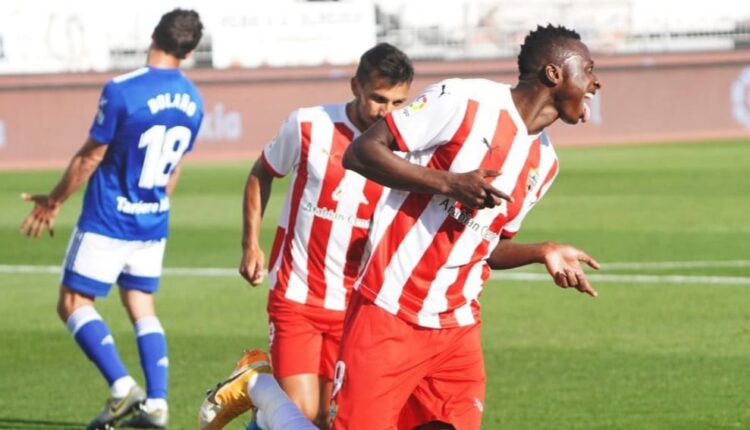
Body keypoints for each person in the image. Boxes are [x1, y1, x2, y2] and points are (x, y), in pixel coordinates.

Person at [330, 24, 602, 429]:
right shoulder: (465, 101)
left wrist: (541, 250)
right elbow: (361, 152)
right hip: (389, 312)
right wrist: (450, 183)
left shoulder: (545, 164)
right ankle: (263, 393)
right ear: (554, 74)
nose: (596, 82)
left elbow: (485, 248)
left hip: (456, 328)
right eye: (589, 69)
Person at [19, 9, 204, 430]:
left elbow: (91, 155)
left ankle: (123, 388)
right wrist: (152, 205)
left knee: (72, 303)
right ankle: (157, 404)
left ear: (153, 35)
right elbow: (174, 168)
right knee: (140, 304)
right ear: (190, 51)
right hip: (153, 219)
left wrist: (53, 201)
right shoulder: (194, 99)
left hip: (108, 218)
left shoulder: (122, 90)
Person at [237, 43, 414, 428]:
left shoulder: (412, 150)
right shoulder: (308, 125)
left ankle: (258, 389)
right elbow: (261, 172)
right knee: (307, 417)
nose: (388, 113)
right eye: (379, 100)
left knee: (332, 421)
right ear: (356, 87)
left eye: (399, 102)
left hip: (357, 308)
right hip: (296, 297)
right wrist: (251, 243)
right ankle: (258, 385)